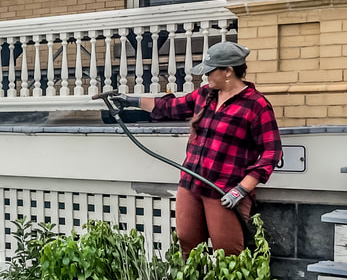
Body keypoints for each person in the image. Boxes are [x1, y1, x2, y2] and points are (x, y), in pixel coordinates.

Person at [115, 41, 282, 256]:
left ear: (229, 71)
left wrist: (241, 190)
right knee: (188, 246)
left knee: (228, 253)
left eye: (211, 72)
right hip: (191, 183)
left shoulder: (256, 106)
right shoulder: (205, 95)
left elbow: (271, 152)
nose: (206, 76)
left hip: (224, 189)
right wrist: (129, 100)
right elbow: (169, 107)